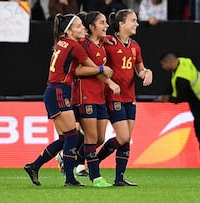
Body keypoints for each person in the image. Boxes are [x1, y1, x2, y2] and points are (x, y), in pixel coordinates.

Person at [23, 13, 116, 187]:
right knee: (72, 136)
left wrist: (105, 38)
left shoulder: (62, 42)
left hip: (53, 90)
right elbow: (90, 67)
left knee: (65, 138)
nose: (83, 29)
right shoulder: (75, 46)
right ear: (70, 30)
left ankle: (34, 166)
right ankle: (70, 179)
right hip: (60, 91)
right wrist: (104, 68)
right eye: (79, 26)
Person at [96, 9, 153, 186]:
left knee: (126, 139)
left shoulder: (135, 46)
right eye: (133, 20)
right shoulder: (108, 42)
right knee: (122, 137)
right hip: (114, 96)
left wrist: (147, 72)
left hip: (130, 97)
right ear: (121, 24)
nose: (136, 23)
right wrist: (108, 81)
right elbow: (96, 60)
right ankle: (91, 162)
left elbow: (139, 69)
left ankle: (119, 178)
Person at [72, 11, 120, 187]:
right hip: (85, 95)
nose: (106, 25)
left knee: (99, 139)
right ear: (91, 27)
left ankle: (68, 157)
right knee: (91, 138)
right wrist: (103, 73)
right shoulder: (83, 45)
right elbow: (77, 71)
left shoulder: (100, 43)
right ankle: (95, 177)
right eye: (102, 22)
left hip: (100, 96)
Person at [155, 51, 200, 168]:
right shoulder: (183, 61)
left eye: (163, 64)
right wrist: (164, 94)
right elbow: (172, 82)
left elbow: (180, 98)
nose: (163, 67)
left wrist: (166, 98)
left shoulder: (181, 77)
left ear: (169, 62)